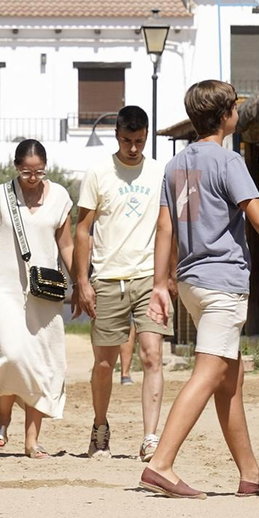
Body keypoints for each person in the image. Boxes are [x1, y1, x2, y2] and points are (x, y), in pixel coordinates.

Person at [140, 81, 259, 499]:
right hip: (222, 284)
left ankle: (250, 474)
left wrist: (162, 283)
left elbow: (164, 227)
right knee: (211, 372)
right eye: (235, 108)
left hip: (192, 280)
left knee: (230, 378)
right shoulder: (227, 161)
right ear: (227, 115)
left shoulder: (176, 165)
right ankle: (161, 463)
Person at [0, 139, 74, 458]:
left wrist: (83, 283)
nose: (33, 177)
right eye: (26, 171)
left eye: (39, 171)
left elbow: (66, 246)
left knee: (39, 361)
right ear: (16, 167)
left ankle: (32, 441)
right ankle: (5, 415)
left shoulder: (61, 197)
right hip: (3, 288)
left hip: (43, 291)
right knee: (13, 354)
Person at [74, 104, 169, 460]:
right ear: (116, 136)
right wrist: (82, 281)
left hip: (147, 277)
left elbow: (166, 227)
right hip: (107, 278)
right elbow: (82, 230)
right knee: (104, 363)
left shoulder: (159, 172)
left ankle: (150, 437)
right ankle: (100, 427)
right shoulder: (98, 173)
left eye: (140, 141)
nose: (133, 148)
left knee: (152, 356)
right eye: (127, 140)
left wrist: (167, 276)